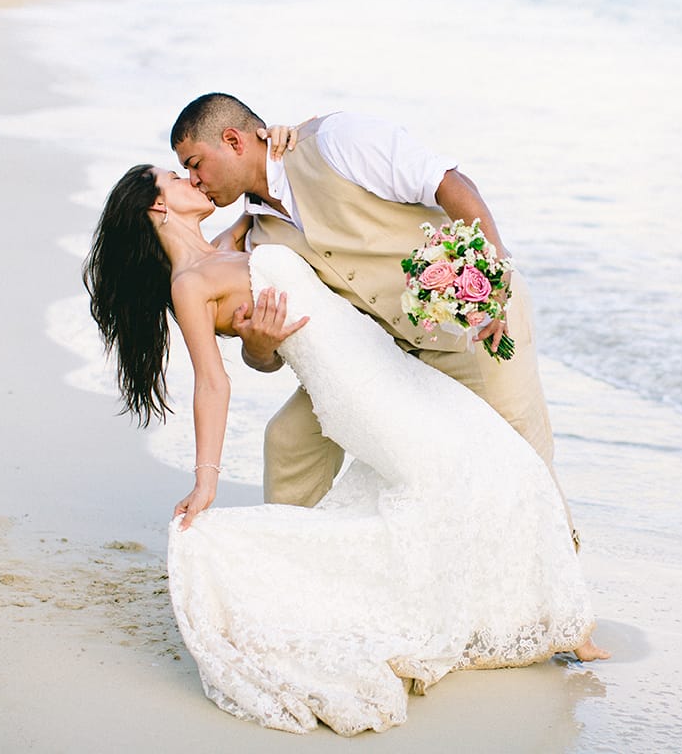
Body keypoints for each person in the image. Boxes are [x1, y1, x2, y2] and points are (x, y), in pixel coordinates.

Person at [83, 165, 607, 734]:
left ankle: (554, 618)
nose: (193, 180)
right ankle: (553, 624)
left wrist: (285, 141)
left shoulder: (227, 242)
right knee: (452, 474)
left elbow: (269, 192)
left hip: (381, 361)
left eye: (191, 168)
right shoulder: (189, 283)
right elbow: (214, 380)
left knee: (498, 456)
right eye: (175, 178)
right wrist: (206, 477)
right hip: (354, 390)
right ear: (157, 210)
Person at [168, 93, 578, 541]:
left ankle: (558, 569)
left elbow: (452, 185)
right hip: (380, 355)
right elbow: (268, 360)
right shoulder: (252, 238)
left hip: (472, 324)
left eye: (195, 163)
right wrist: (259, 345)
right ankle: (291, 561)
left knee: (521, 449)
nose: (194, 180)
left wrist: (492, 280)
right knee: (288, 439)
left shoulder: (336, 141)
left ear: (232, 140)